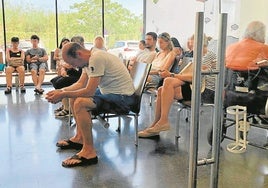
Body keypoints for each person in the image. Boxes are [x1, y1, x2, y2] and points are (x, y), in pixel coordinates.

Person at [46, 42, 136, 167]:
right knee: (75, 98)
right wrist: (62, 91)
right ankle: (79, 138)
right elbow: (80, 84)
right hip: (111, 93)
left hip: (124, 99)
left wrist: (63, 95)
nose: (73, 66)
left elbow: (89, 91)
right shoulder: (87, 60)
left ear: (79, 54)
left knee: (81, 103)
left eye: (72, 63)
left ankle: (89, 152)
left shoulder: (96, 58)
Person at [138, 34, 217, 137]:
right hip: (196, 86)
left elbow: (195, 78)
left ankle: (162, 122)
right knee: (163, 88)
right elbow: (193, 77)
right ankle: (156, 124)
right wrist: (172, 76)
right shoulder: (200, 56)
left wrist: (172, 75)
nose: (189, 45)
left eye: (191, 43)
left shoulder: (207, 56)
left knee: (168, 81)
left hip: (205, 91)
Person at [51, 36, 83, 117]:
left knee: (60, 83)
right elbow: (66, 64)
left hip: (80, 75)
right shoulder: (74, 52)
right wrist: (63, 69)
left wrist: (68, 66)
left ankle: (67, 108)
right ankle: (65, 104)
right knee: (54, 80)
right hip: (72, 72)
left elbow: (72, 65)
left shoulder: (82, 54)